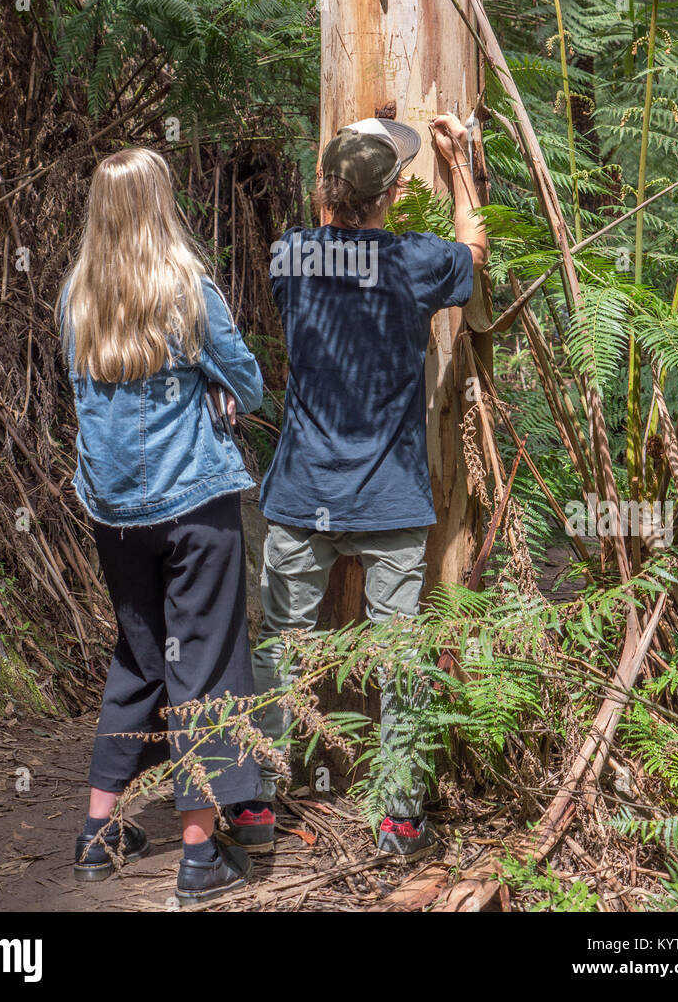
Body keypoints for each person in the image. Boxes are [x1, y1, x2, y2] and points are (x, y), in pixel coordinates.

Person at [222, 113, 489, 860]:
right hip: (391, 499)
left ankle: (257, 804)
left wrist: (349, 159)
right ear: (393, 198)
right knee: (401, 657)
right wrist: (460, 161)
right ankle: (401, 818)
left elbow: (329, 221)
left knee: (281, 648)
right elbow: (476, 249)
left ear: (324, 194)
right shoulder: (416, 263)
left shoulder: (291, 257)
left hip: (302, 495)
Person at [58, 147, 264, 904]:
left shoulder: (75, 296)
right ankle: (199, 857)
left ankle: (97, 833)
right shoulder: (187, 292)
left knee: (142, 660)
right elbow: (251, 383)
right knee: (204, 670)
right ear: (160, 206)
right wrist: (216, 387)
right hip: (193, 509)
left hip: (114, 519)